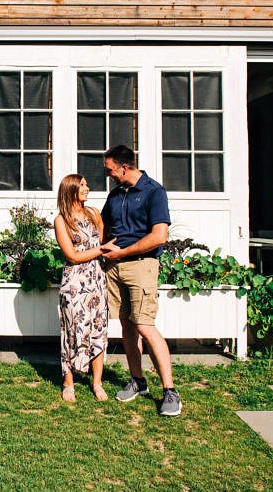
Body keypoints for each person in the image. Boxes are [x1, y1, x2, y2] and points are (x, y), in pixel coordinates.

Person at [100, 145, 181, 416]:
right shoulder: (115, 195)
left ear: (124, 167)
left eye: (110, 169)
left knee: (145, 325)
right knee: (127, 326)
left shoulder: (153, 192)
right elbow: (104, 226)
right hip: (115, 268)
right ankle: (138, 381)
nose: (108, 174)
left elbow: (159, 236)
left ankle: (170, 391)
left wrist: (122, 251)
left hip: (141, 266)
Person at [54, 174, 118, 402]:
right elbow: (71, 255)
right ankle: (68, 382)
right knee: (73, 330)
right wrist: (101, 251)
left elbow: (103, 242)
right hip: (74, 283)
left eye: (86, 184)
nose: (87, 188)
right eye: (82, 185)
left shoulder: (94, 214)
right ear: (70, 190)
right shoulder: (61, 220)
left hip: (96, 279)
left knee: (98, 329)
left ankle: (97, 383)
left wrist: (103, 251)